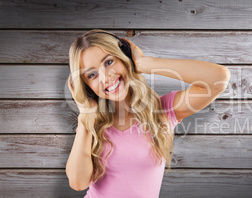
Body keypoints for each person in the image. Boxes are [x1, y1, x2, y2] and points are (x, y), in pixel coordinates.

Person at [65, 29, 231, 197]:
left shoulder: (163, 110)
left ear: (125, 57)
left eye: (108, 62)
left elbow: (219, 79)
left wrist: (144, 63)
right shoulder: (90, 124)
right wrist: (85, 115)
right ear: (87, 86)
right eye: (92, 75)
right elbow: (78, 183)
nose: (105, 77)